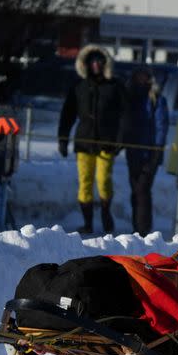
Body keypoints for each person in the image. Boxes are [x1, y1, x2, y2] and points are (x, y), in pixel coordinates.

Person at [58, 45, 125, 235]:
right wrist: (63, 139)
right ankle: (87, 223)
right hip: (84, 142)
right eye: (92, 61)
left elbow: (124, 115)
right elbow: (67, 114)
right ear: (86, 64)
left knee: (103, 180)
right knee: (85, 182)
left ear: (104, 63)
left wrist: (120, 140)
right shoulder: (78, 86)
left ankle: (106, 214)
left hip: (107, 142)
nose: (95, 64)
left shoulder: (115, 86)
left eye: (99, 61)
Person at [123, 66, 168, 237]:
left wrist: (156, 154)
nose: (143, 81)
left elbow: (161, 128)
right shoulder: (131, 97)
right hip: (133, 151)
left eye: (146, 78)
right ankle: (137, 227)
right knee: (135, 190)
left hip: (150, 153)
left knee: (142, 190)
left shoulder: (156, 100)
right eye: (139, 78)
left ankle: (142, 230)